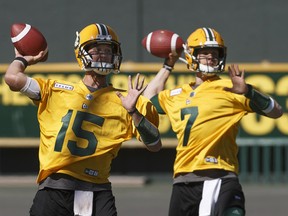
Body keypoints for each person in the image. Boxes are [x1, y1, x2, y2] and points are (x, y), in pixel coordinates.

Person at [4, 23, 162, 216]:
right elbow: (12, 78)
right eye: (97, 49)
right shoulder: (55, 90)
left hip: (98, 190)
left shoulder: (129, 100)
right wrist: (22, 58)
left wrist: (134, 113)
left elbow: (154, 144)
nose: (103, 55)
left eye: (108, 50)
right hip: (55, 188)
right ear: (82, 53)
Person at [143, 27, 283, 216]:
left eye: (215, 53)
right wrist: (168, 64)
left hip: (217, 175)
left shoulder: (230, 88)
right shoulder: (177, 93)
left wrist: (249, 91)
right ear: (191, 56)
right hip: (181, 180)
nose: (210, 57)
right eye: (204, 53)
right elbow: (148, 98)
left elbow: (276, 111)